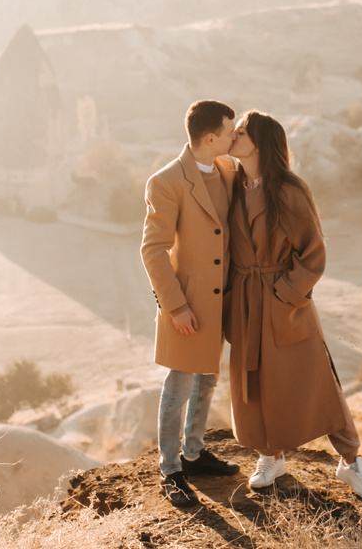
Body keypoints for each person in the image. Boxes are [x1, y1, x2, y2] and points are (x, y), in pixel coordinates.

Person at [223, 110, 362, 501]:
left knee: (318, 383)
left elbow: (313, 254)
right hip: (245, 302)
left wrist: (284, 294)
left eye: (241, 132)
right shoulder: (231, 186)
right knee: (255, 384)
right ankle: (271, 457)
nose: (234, 137)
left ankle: (350, 463)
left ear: (260, 142)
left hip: (284, 304)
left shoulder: (289, 190)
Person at [141, 99, 241, 507]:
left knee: (208, 380)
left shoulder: (228, 169)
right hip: (187, 305)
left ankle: (194, 453)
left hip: (220, 303)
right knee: (179, 385)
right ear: (210, 137)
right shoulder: (165, 181)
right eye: (231, 131)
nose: (235, 137)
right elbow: (153, 250)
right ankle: (169, 469)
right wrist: (176, 306)